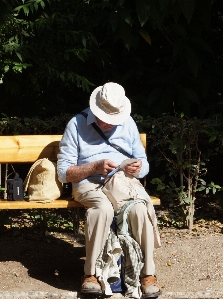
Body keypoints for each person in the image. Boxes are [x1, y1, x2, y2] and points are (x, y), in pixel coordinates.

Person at [57, 82, 162, 298]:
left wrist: (139, 167)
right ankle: (91, 274)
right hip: (89, 184)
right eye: (105, 117)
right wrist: (94, 167)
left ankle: (147, 274)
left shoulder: (128, 123)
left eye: (113, 118)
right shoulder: (76, 125)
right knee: (102, 208)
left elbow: (144, 163)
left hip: (122, 184)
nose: (109, 123)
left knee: (139, 210)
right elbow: (64, 173)